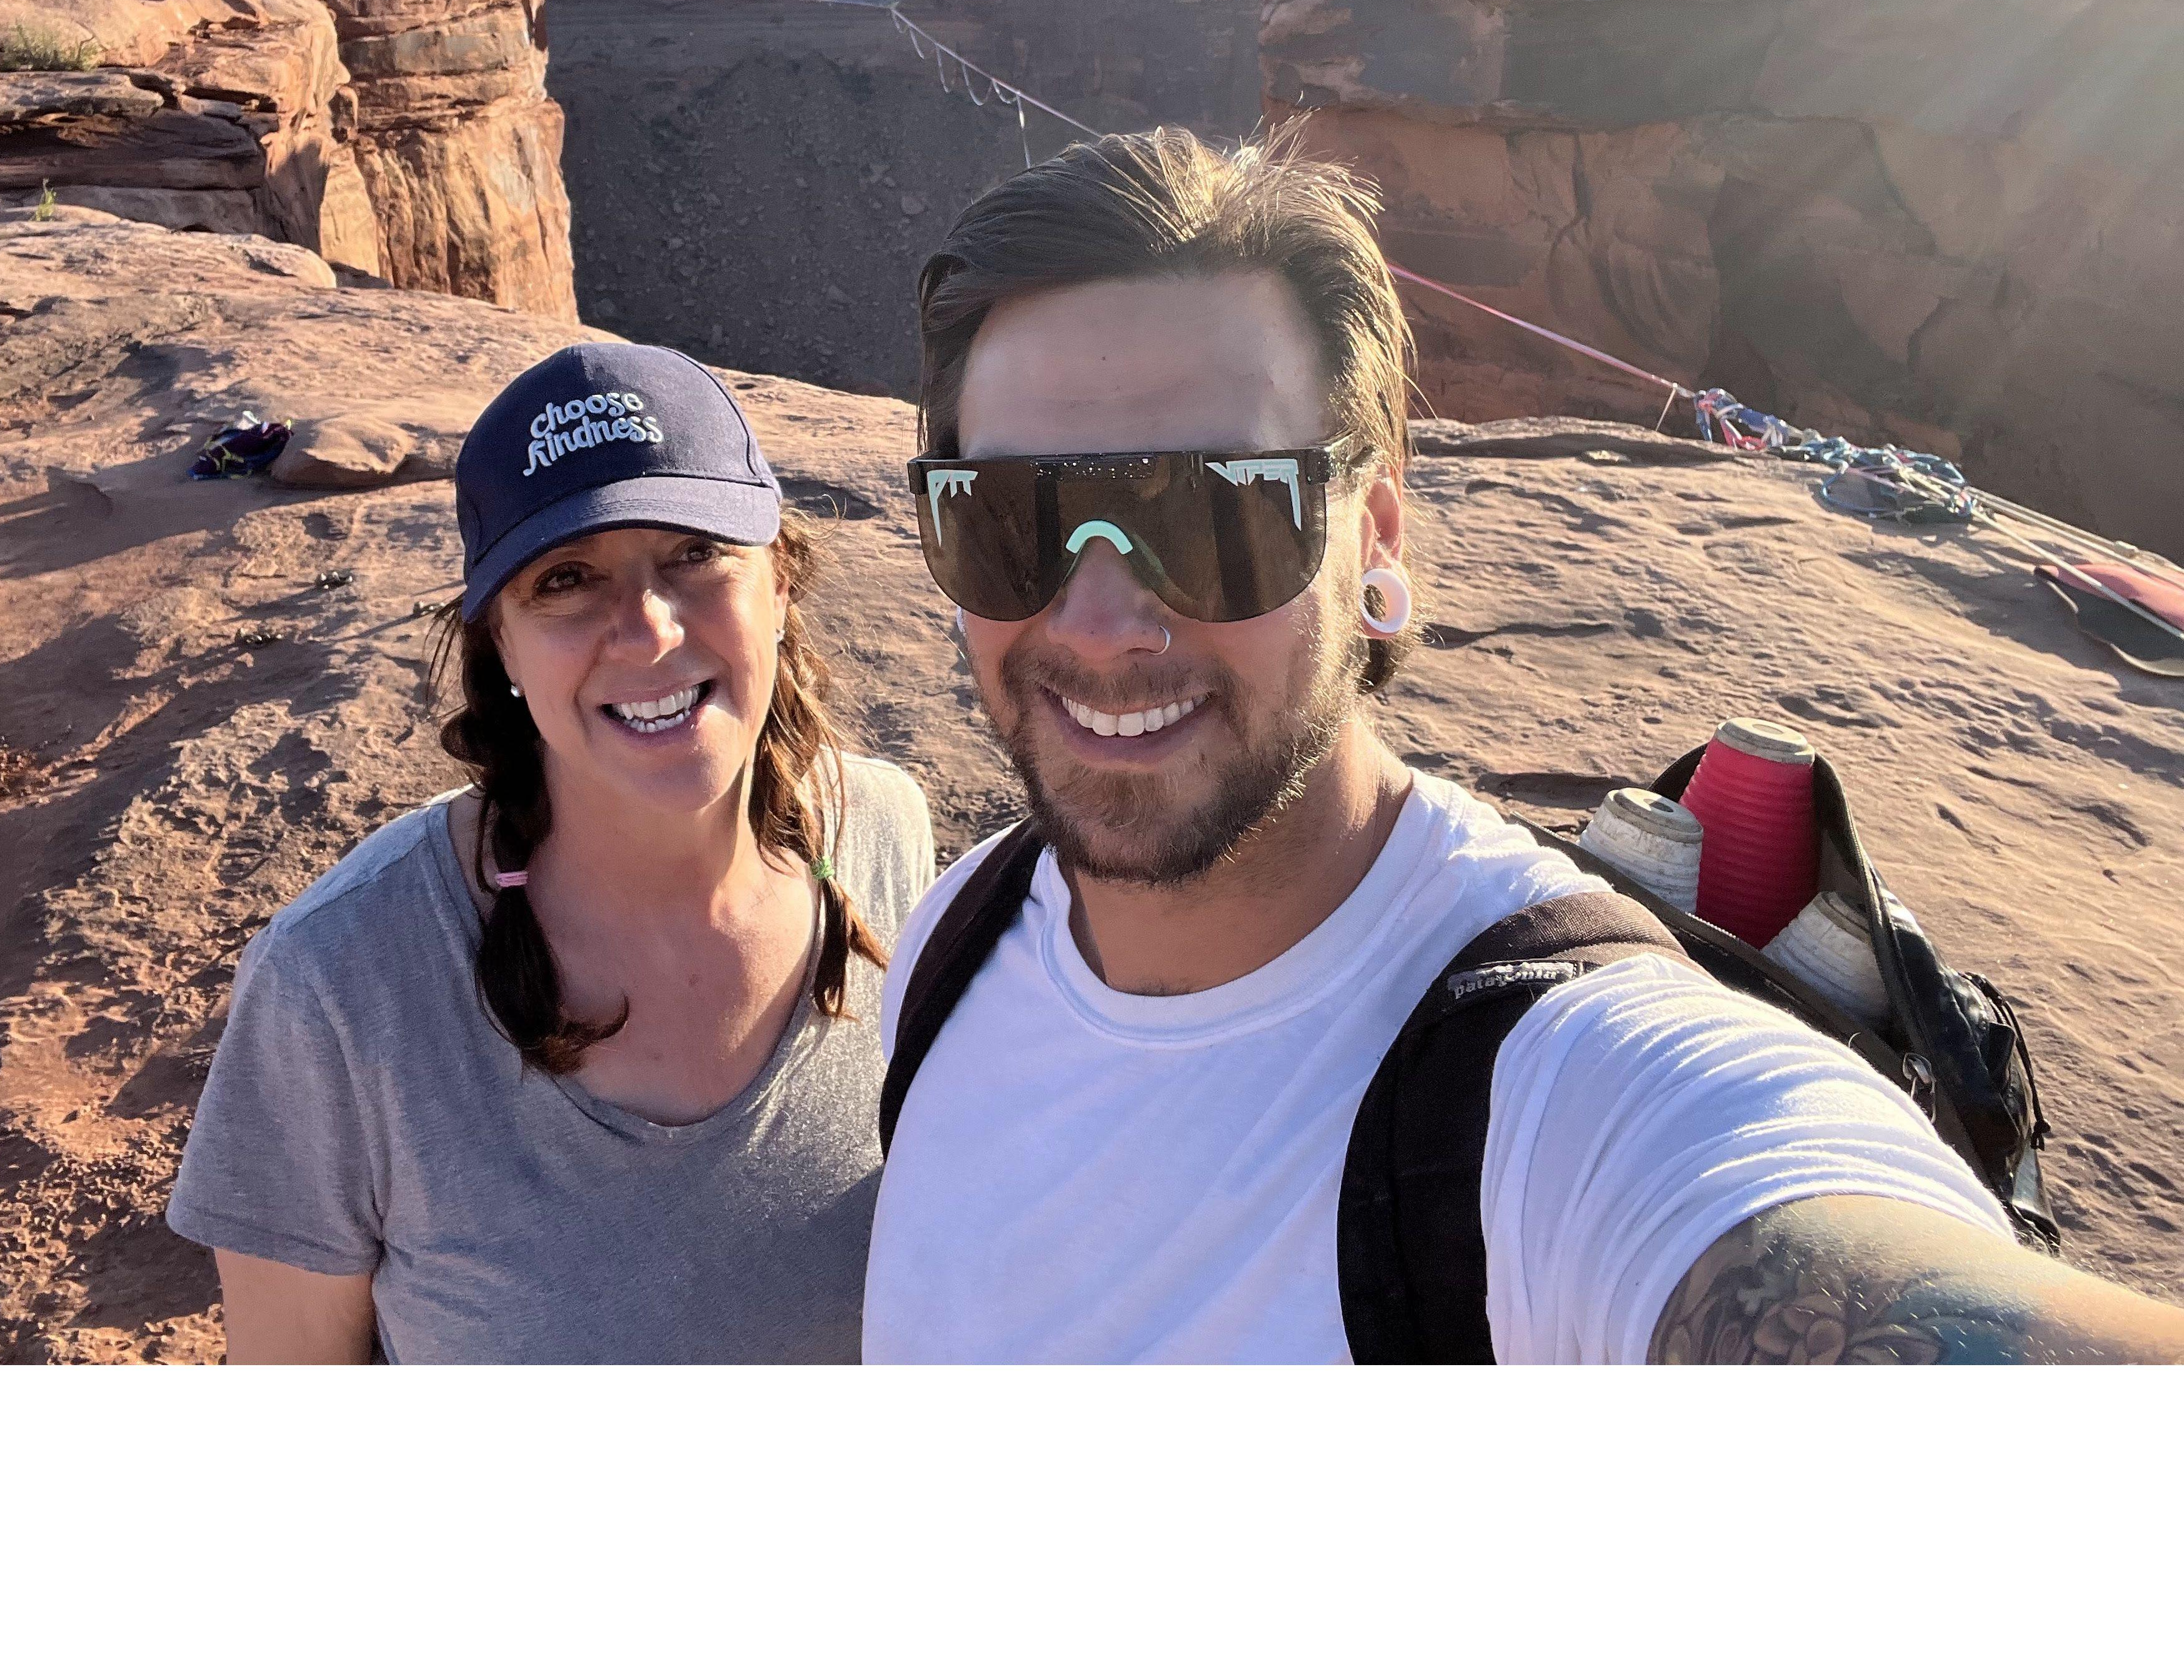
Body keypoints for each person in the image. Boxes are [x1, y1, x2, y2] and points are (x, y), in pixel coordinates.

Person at [864, 127, 2184, 1363]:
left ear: (1375, 534)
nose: (1099, 622)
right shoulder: (954, 942)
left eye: (1219, 513)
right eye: (1007, 519)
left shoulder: (1565, 1089)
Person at [167, 342, 934, 1361]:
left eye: (695, 553)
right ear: (503, 648)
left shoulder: (883, 835)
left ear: (780, 583)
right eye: (566, 580)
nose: (649, 630)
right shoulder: (340, 986)